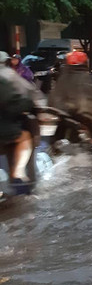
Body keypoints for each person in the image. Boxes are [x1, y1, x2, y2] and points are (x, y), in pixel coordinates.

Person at [48, 51, 92, 154]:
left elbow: (53, 96)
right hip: (83, 115)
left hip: (63, 114)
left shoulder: (62, 77)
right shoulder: (85, 77)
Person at [0, 51, 37, 197]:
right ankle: (19, 174)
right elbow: (24, 97)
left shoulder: (23, 72)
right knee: (25, 136)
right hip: (6, 126)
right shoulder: (8, 76)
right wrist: (26, 105)